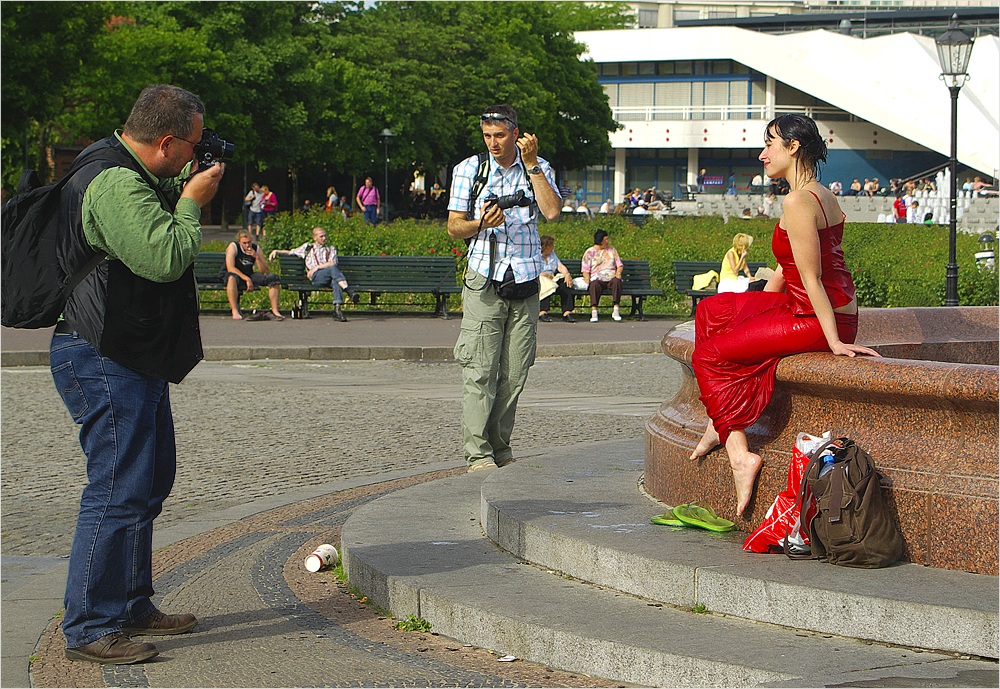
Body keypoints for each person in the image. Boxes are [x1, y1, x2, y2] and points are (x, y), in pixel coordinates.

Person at [50, 84, 224, 664]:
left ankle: (130, 602)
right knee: (117, 489)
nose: (196, 154)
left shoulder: (133, 172)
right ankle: (90, 627)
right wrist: (194, 200)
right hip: (100, 356)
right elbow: (164, 255)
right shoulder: (113, 181)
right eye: (192, 145)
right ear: (167, 141)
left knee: (148, 482)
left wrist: (182, 188)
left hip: (130, 353)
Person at [689, 114, 880, 517]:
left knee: (706, 356)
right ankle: (721, 418)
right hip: (815, 307)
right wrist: (749, 313)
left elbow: (811, 278)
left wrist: (833, 343)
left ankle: (740, 455)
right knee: (713, 311)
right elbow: (787, 267)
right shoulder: (817, 193)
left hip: (814, 315)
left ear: (793, 147)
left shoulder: (797, 201)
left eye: (770, 143)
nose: (763, 154)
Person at [445, 104, 561, 472]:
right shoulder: (469, 169)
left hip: (526, 280)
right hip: (484, 278)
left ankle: (500, 446)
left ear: (516, 133)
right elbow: (453, 227)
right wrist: (480, 222)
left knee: (515, 372)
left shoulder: (538, 168)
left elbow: (552, 211)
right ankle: (478, 454)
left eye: (499, 135)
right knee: (479, 369)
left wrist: (533, 165)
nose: (493, 143)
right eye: (486, 136)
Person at [269, 226, 356, 322]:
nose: (324, 238)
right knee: (332, 270)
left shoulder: (330, 249)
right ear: (315, 238)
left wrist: (316, 268)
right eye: (321, 236)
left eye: (325, 236)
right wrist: (276, 251)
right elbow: (291, 252)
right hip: (317, 277)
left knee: (335, 279)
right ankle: (348, 290)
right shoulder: (308, 248)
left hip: (328, 275)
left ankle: (337, 309)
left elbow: (332, 263)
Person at [220, 230, 285, 321]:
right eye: (244, 243)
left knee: (272, 278)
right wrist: (246, 279)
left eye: (249, 242)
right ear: (239, 242)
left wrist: (256, 257)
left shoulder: (256, 248)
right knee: (232, 278)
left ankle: (275, 310)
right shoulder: (233, 246)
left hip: (248, 274)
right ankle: (234, 310)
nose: (247, 245)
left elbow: (264, 270)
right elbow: (230, 267)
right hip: (233, 273)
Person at [581, 229, 624, 323]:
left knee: (617, 282)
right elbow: (585, 269)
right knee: (594, 285)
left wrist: (618, 273)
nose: (608, 241)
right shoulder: (589, 252)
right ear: (600, 240)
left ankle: (616, 309)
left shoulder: (612, 250)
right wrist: (587, 278)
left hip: (611, 277)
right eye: (606, 239)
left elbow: (619, 264)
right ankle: (594, 311)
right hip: (597, 277)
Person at [538, 235, 576, 323]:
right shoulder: (536, 255)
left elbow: (559, 266)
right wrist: (543, 274)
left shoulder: (552, 254)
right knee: (544, 284)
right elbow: (532, 269)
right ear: (545, 247)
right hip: (541, 277)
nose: (553, 247)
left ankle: (567, 312)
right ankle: (543, 312)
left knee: (565, 283)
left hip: (552, 277)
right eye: (551, 245)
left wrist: (567, 274)